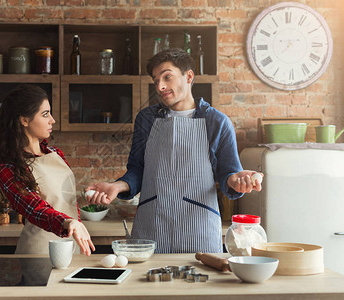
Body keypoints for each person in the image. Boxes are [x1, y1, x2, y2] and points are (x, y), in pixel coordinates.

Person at [86, 48, 263, 254]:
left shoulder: (217, 122)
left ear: (188, 76)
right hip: (152, 226)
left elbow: (229, 175)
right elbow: (137, 170)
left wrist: (239, 180)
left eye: (167, 77)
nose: (160, 86)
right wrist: (117, 186)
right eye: (156, 81)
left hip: (199, 228)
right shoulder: (147, 119)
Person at [0, 84, 95, 256]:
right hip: (38, 254)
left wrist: (91, 195)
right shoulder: (8, 167)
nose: (52, 120)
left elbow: (63, 199)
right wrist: (68, 222)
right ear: (24, 120)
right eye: (45, 114)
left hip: (71, 247)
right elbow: (35, 210)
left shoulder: (55, 153)